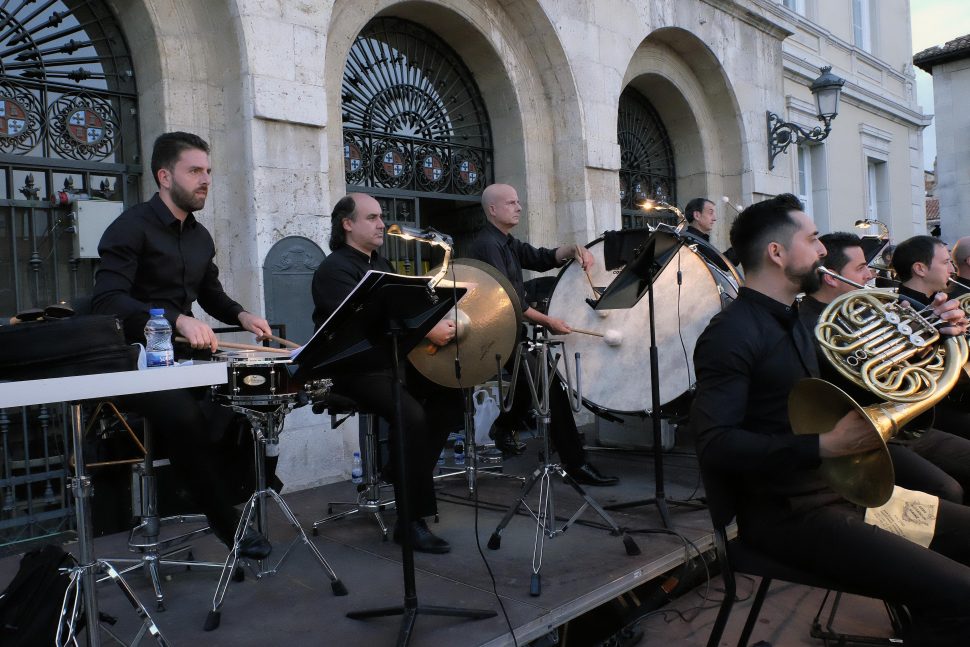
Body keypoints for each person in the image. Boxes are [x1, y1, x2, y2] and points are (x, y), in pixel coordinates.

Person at [692, 193, 970, 646]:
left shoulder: (797, 320)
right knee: (962, 600)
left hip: (839, 493)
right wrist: (822, 446)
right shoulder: (731, 333)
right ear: (777, 253)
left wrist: (929, 330)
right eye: (813, 238)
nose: (823, 250)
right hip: (789, 516)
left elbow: (871, 383)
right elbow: (716, 444)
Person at [92, 131, 273, 559]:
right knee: (185, 416)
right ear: (164, 176)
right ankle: (226, 524)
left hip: (182, 358)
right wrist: (174, 318)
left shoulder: (200, 237)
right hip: (133, 360)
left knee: (246, 403)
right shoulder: (130, 227)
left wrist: (242, 315)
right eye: (194, 170)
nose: (205, 179)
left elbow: (210, 293)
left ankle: (211, 491)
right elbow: (107, 299)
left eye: (208, 171)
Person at [310, 193, 462, 554]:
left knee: (450, 393)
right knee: (409, 414)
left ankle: (399, 467)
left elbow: (403, 310)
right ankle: (411, 522)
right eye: (372, 217)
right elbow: (361, 325)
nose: (382, 224)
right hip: (351, 369)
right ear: (348, 224)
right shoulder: (334, 269)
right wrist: (425, 330)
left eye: (381, 217)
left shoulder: (380, 262)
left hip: (389, 363)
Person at [800, 232, 970, 503]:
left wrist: (933, 332)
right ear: (832, 277)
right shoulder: (809, 325)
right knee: (947, 490)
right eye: (860, 268)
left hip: (906, 424)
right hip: (863, 432)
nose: (870, 275)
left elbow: (912, 372)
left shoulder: (872, 309)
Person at [466, 183, 618, 486]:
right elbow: (508, 300)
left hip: (512, 333)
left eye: (518, 200)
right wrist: (548, 321)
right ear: (493, 210)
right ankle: (575, 464)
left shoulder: (507, 242)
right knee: (550, 388)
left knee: (531, 386)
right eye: (511, 202)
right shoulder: (487, 245)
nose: (519, 206)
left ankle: (503, 428)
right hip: (492, 336)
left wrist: (573, 250)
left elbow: (540, 257)